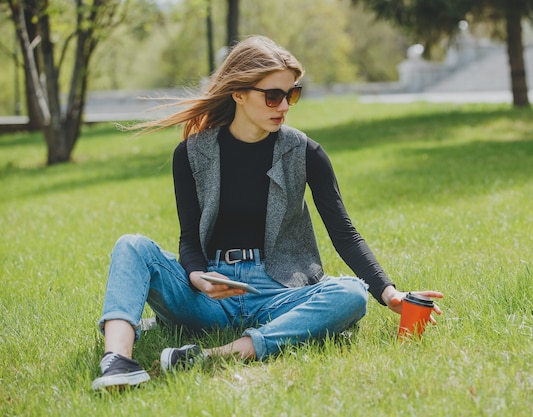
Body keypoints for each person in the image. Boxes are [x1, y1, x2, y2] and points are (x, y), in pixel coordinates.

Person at [91, 35, 443, 391]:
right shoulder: (191, 154)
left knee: (351, 294)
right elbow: (189, 239)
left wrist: (388, 293)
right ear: (239, 93)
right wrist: (197, 276)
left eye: (292, 94)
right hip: (213, 295)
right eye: (273, 95)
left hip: (281, 293)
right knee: (131, 246)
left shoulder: (306, 153)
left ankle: (216, 354)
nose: (284, 106)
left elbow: (344, 233)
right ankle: (117, 361)